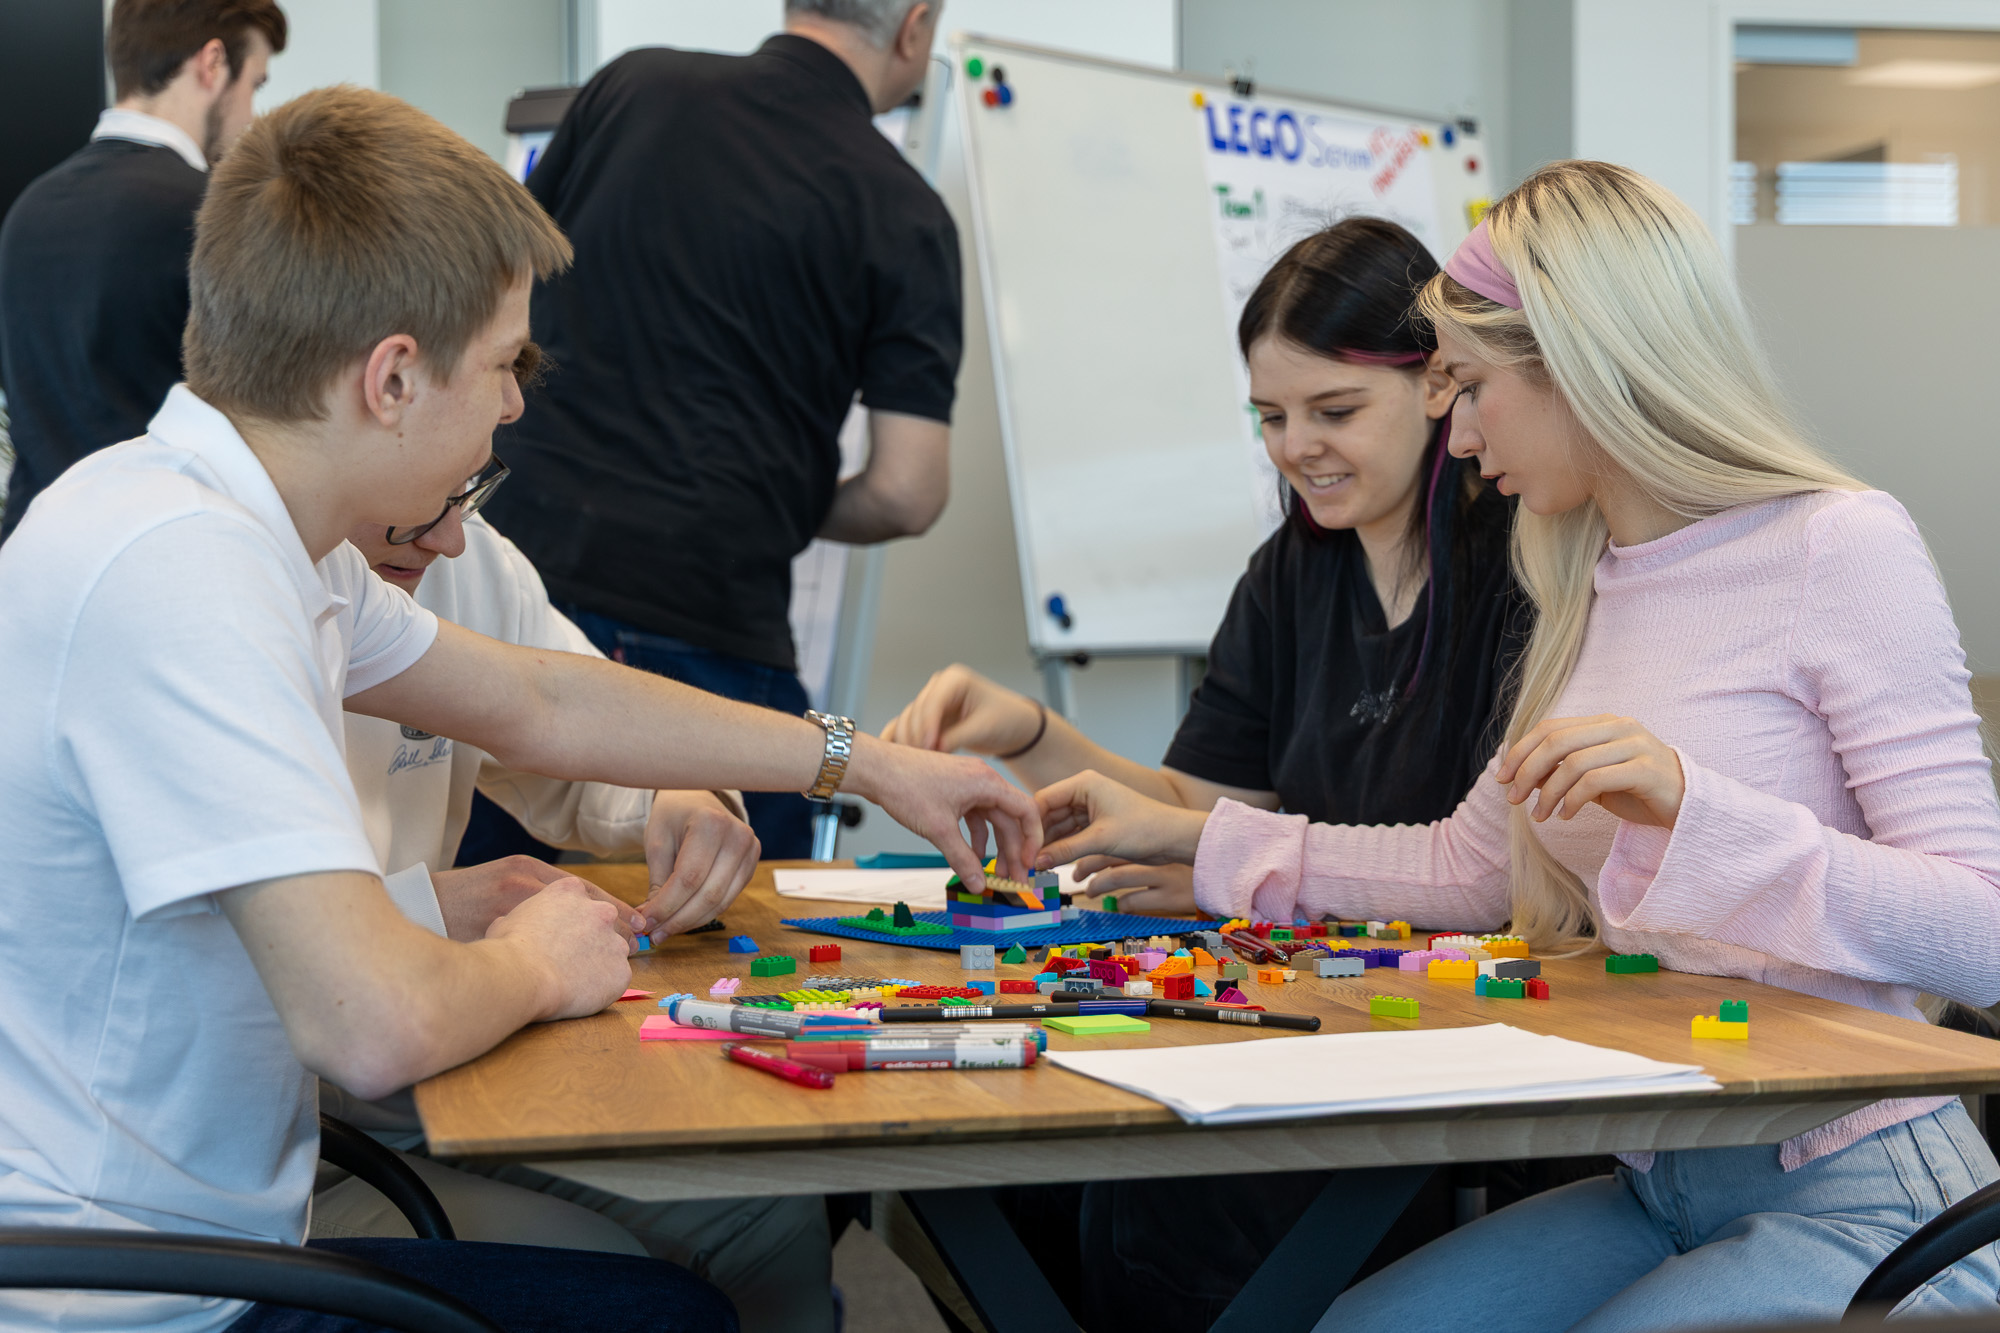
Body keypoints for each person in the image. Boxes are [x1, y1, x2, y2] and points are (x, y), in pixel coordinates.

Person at [0, 85, 1037, 1333]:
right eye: (501, 365)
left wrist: (859, 762)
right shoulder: (185, 570)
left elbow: (538, 699)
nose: (515, 405)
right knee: (665, 1317)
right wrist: (535, 961)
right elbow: (374, 1024)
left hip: (216, 1232)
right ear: (392, 378)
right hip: (133, 1296)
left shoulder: (259, 538)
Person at [1027, 161, 2000, 1330]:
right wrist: (1194, 841)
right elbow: (1466, 866)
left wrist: (1695, 810)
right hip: (1664, 1179)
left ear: (1581, 364)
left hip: (1860, 1192)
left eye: (1473, 386)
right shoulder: (1583, 578)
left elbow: (1982, 934)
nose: (1456, 431)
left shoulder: (1837, 544)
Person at [883, 216, 1528, 1328]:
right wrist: (1030, 731)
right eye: (1270, 417)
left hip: (1437, 1021)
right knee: (1014, 1170)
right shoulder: (1291, 571)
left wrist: (1216, 858)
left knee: (1163, 1206)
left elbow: (1476, 871)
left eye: (1333, 411)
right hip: (1304, 988)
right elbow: (1203, 804)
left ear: (1437, 386)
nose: (1296, 447)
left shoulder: (1517, 565)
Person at [314, 498, 839, 1333]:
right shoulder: (224, 582)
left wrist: (678, 791)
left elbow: (558, 706)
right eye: (429, 502)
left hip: (406, 1084)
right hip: (266, 1155)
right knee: (620, 1287)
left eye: (472, 488)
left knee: (768, 1220)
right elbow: (261, 971)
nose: (452, 535)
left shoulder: (452, 560)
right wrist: (449, 922)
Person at [484, 0, 957, 858]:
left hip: (512, 579)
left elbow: (493, 284)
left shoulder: (632, 87)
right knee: (748, 927)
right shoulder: (906, 209)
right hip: (706, 626)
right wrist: (769, 496)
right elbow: (907, 490)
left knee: (485, 905)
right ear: (914, 25)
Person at [0, 0, 285, 538]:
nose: (250, 116)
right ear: (212, 63)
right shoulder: (211, 214)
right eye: (255, 84)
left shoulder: (27, 213)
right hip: (164, 550)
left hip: (32, 552)